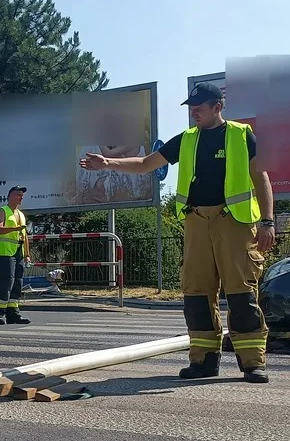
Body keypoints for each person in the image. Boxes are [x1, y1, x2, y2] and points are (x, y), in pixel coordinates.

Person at [80, 82, 275, 383]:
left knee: (240, 292)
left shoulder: (240, 134)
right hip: (196, 222)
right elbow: (147, 163)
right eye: (191, 109)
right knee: (196, 294)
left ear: (217, 107)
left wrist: (267, 222)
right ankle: (203, 361)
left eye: (199, 108)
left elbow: (260, 176)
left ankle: (252, 363)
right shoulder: (186, 140)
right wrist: (108, 162)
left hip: (234, 222)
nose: (193, 113)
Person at [0, 186, 31, 324]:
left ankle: (13, 313)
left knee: (18, 282)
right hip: (4, 252)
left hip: (18, 252)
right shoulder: (3, 211)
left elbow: (24, 236)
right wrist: (16, 228)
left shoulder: (21, 214)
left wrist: (27, 254)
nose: (21, 197)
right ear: (10, 196)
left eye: (22, 195)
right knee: (6, 281)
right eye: (18, 194)